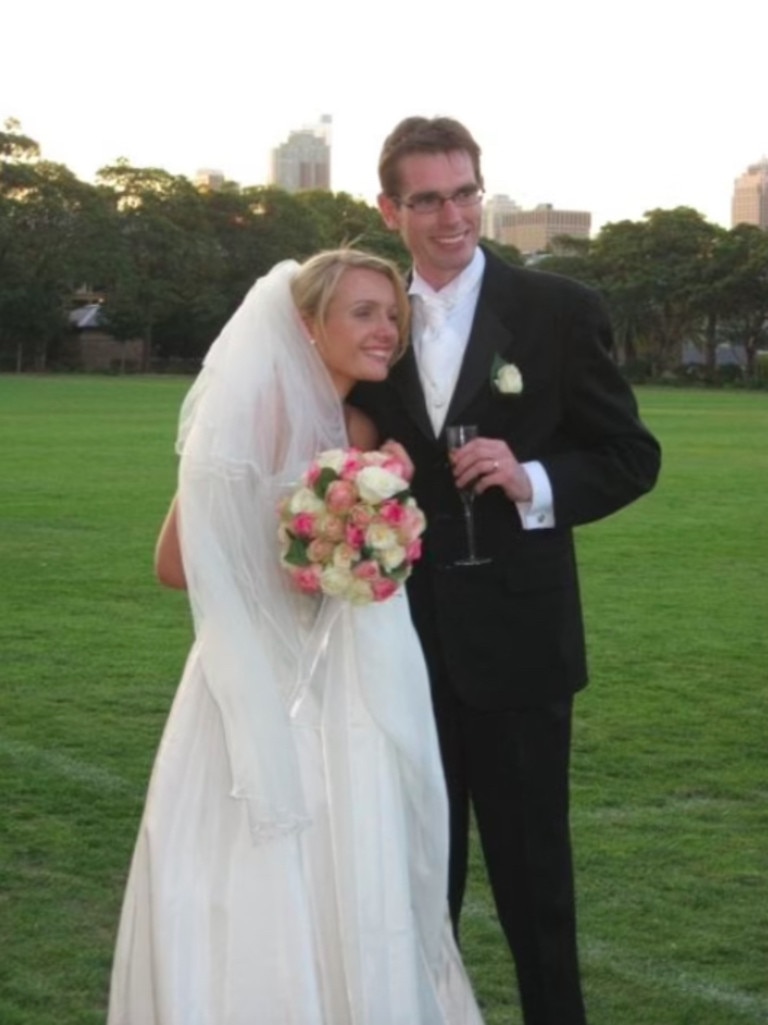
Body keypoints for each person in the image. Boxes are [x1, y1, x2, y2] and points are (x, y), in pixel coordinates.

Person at [107, 249, 485, 1025]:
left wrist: (370, 520)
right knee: (264, 875)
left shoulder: (364, 426)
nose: (386, 330)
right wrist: (328, 542)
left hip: (356, 687)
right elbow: (176, 563)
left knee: (364, 866)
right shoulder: (250, 415)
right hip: (264, 683)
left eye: (392, 314)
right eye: (363, 313)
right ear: (308, 325)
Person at [351, 118, 662, 1025]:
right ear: (390, 209)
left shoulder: (559, 309)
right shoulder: (373, 317)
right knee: (416, 881)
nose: (453, 216)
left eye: (466, 193)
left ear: (482, 192)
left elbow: (630, 455)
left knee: (536, 886)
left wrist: (531, 479)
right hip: (396, 644)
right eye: (429, 199)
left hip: (523, 646)